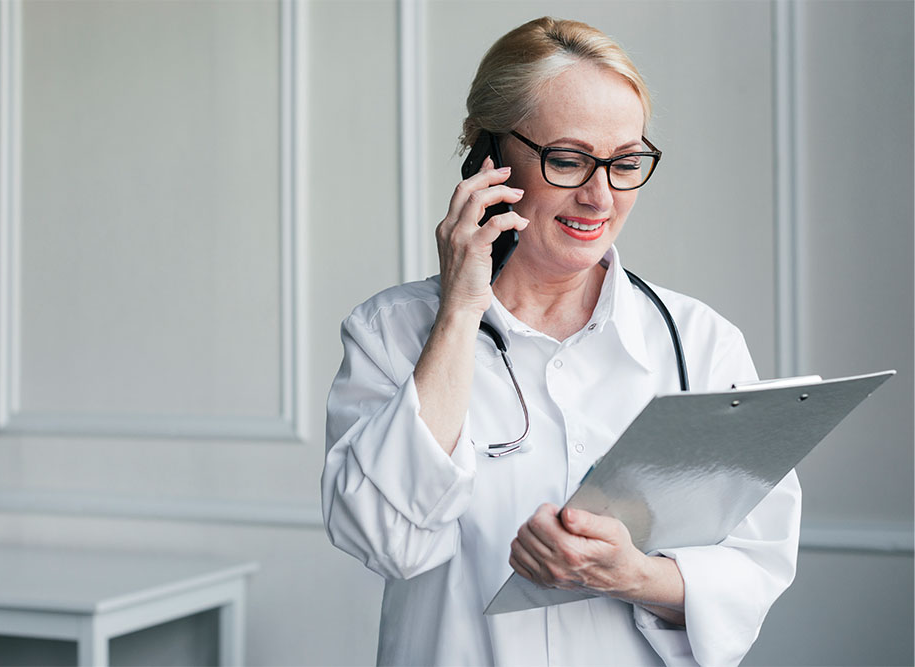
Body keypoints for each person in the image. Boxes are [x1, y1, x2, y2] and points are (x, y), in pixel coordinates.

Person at [321, 16, 801, 666]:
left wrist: (632, 574)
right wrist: (459, 311)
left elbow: (755, 565)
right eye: (569, 160)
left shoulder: (700, 342)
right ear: (488, 160)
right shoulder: (391, 332)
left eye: (625, 163)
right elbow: (386, 540)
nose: (601, 197)